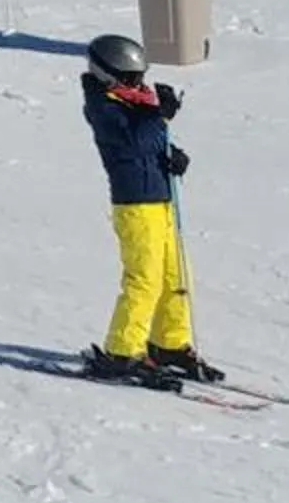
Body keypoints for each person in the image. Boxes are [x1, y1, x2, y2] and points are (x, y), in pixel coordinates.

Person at [79, 33, 222, 385]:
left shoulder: (136, 102)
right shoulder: (102, 107)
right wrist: (159, 116)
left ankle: (169, 343)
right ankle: (122, 351)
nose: (137, 83)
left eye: (139, 75)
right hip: (135, 206)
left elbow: (152, 142)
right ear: (106, 75)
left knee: (175, 276)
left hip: (160, 200)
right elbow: (132, 141)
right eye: (130, 78)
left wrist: (173, 157)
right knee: (143, 280)